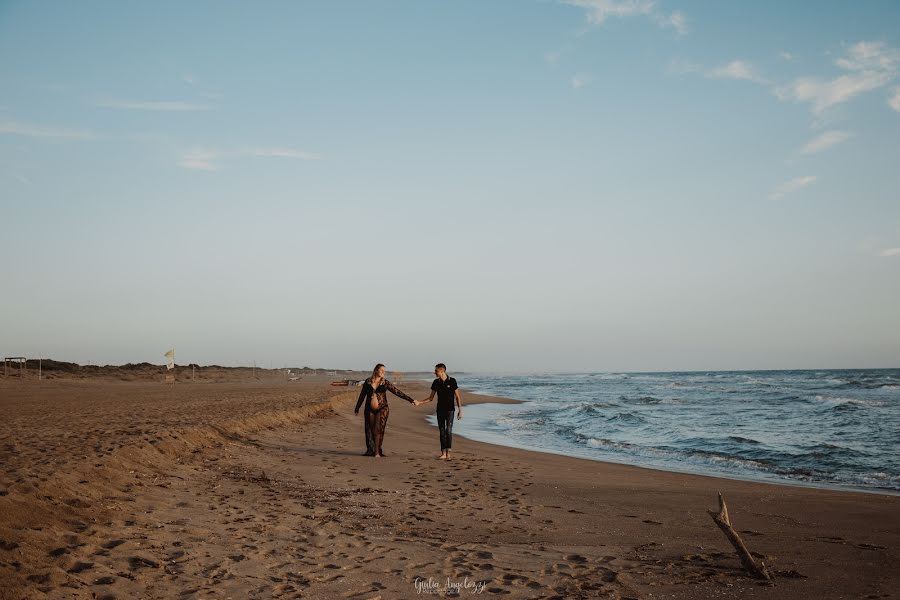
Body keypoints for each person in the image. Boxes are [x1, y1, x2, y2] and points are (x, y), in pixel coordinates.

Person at [354, 363, 416, 457]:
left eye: (384, 371)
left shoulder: (385, 382)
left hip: (382, 408)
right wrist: (357, 407)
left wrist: (410, 400)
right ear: (376, 370)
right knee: (370, 430)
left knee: (378, 430)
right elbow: (362, 395)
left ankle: (377, 452)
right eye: (381, 370)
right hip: (369, 409)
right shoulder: (368, 382)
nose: (383, 372)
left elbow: (397, 392)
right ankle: (371, 450)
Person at [414, 363, 462, 459]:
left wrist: (460, 410)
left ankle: (448, 452)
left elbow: (457, 396)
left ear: (442, 371)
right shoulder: (436, 382)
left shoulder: (452, 381)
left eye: (436, 371)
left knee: (448, 430)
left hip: (450, 410)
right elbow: (431, 398)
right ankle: (443, 453)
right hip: (440, 410)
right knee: (442, 431)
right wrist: (420, 402)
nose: (434, 372)